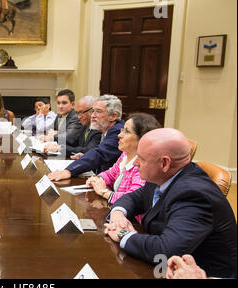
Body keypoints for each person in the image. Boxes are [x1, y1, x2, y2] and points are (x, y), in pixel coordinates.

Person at [105, 128, 237, 278]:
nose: (135, 163)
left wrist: (123, 234)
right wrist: (118, 214)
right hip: (163, 266)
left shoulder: (194, 195)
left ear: (164, 163)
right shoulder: (164, 176)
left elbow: (166, 249)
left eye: (141, 158)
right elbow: (135, 197)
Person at [86, 113, 160, 210]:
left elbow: (131, 199)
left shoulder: (143, 165)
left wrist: (104, 192)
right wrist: (97, 179)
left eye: (126, 131)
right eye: (122, 130)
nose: (119, 135)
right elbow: (111, 174)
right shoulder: (125, 154)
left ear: (142, 138)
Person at [47, 94, 124, 181]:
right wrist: (84, 156)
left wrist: (69, 171)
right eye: (92, 111)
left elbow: (99, 154)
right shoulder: (106, 130)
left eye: (98, 111)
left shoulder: (118, 132)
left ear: (113, 116)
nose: (92, 116)